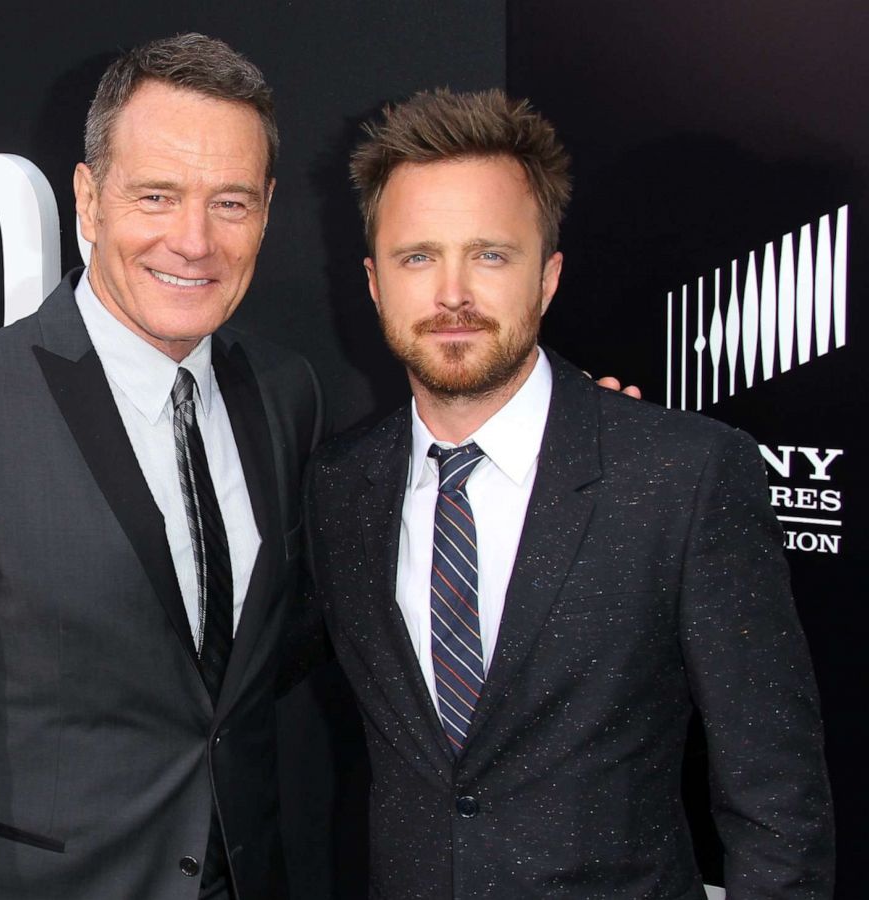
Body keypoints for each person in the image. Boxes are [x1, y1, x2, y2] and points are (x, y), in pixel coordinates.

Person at [303, 88, 835, 898]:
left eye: (490, 254)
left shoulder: (683, 477)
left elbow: (779, 805)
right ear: (375, 282)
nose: (451, 293)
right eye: (418, 257)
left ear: (548, 276)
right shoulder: (339, 487)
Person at [0, 33, 323, 900]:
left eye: (230, 203)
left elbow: (293, 641)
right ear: (89, 199)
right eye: (156, 196)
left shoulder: (285, 394)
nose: (194, 241)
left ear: (266, 210)